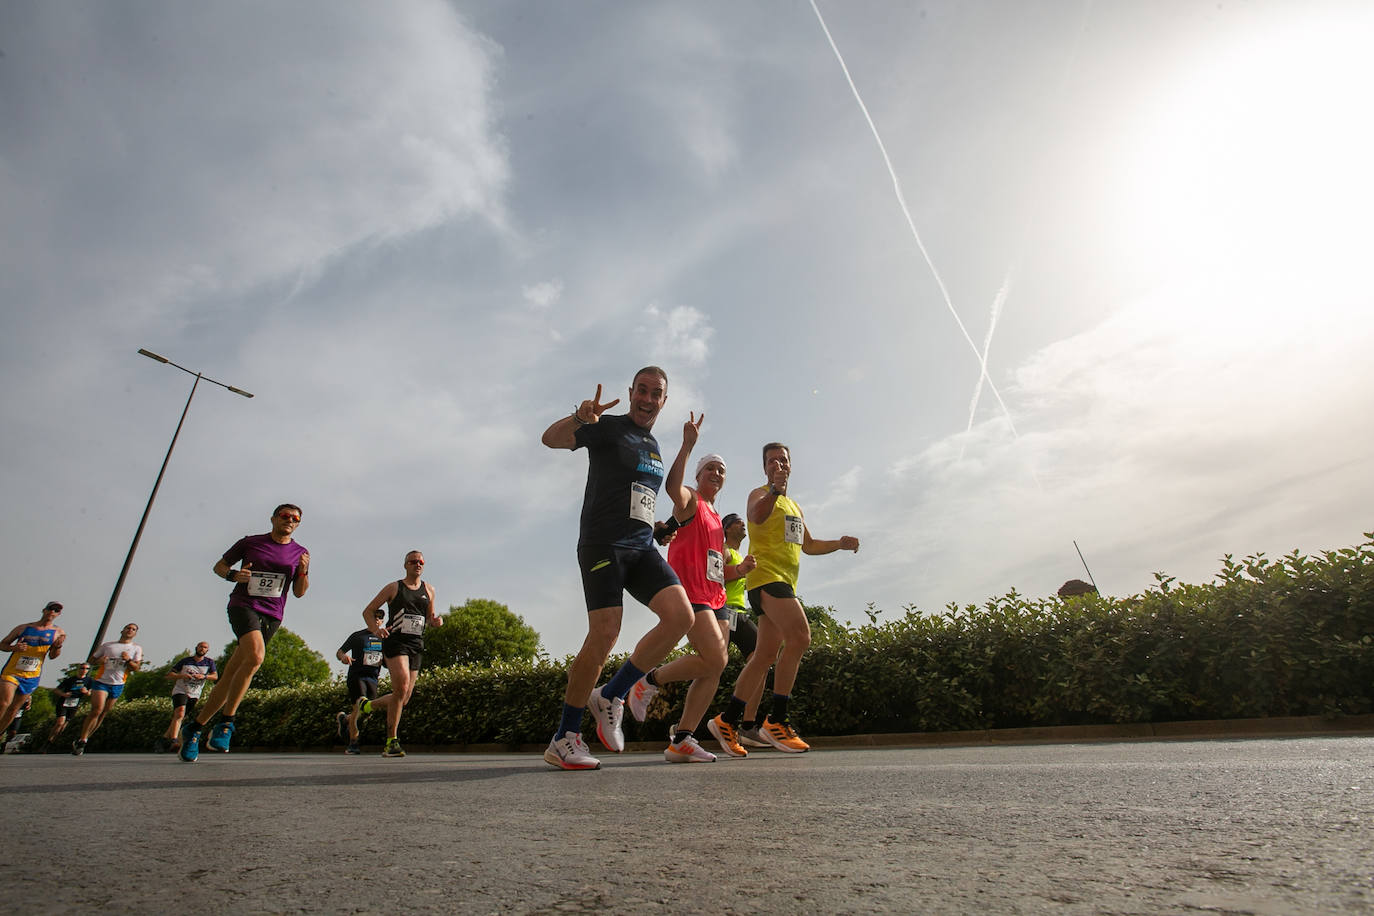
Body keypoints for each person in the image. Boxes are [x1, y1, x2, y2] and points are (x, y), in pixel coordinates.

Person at [539, 367, 696, 770]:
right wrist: (581, 416)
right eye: (641, 390)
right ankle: (565, 737)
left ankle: (612, 693)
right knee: (605, 633)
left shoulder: (655, 444)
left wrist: (659, 529)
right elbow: (550, 439)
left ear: (665, 400)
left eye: (655, 393)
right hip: (602, 544)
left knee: (681, 616)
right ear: (631, 393)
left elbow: (639, 497)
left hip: (641, 547)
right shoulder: (607, 427)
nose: (647, 399)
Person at [707, 442, 859, 755]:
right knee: (801, 637)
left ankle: (728, 719)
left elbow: (810, 545)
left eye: (783, 460)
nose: (778, 464)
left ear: (790, 465)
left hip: (784, 582)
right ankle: (776, 719)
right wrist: (774, 490)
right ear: (765, 468)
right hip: (767, 579)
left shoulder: (795, 507)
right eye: (772, 461)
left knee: (763, 657)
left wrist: (840, 544)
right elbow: (756, 517)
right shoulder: (760, 495)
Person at [624, 419, 744, 763]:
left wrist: (736, 572)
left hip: (716, 596)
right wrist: (688, 445)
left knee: (713, 668)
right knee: (716, 657)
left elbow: (716, 563)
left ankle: (683, 739)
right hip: (690, 592)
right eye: (710, 469)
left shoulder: (718, 518)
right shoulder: (690, 501)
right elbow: (672, 487)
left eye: (721, 470)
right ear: (699, 475)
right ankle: (648, 680)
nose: (717, 474)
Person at [180, 504, 310, 762]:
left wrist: (303, 570)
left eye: (295, 519)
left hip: (273, 614)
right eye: (285, 516)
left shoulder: (300, 552)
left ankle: (194, 727)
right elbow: (219, 566)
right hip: (244, 606)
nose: (290, 521)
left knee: (230, 676)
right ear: (273, 518)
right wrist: (233, 575)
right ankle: (227, 723)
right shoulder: (251, 542)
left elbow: (299, 592)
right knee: (256, 657)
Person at [356, 552, 440, 759]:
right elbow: (368, 610)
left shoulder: (429, 590)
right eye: (413, 561)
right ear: (405, 565)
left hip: (416, 645)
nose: (417, 564)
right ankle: (391, 742)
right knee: (400, 687)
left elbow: (429, 617)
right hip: (396, 642)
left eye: (421, 562)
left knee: (403, 698)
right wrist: (375, 630)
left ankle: (366, 706)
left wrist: (436, 622)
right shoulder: (394, 587)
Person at [718, 512, 769, 748]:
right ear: (727, 529)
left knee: (762, 660)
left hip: (739, 613)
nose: (742, 525)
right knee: (710, 668)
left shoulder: (741, 554)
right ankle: (684, 729)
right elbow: (714, 576)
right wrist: (740, 569)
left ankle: (748, 727)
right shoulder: (724, 550)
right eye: (738, 522)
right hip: (722, 612)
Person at [74, 622, 143, 755]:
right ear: (122, 630)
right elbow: (91, 660)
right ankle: (82, 740)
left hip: (118, 683)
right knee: (97, 709)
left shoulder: (136, 648)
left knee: (104, 713)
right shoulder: (108, 646)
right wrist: (99, 661)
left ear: (135, 634)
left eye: (133, 629)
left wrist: (128, 660)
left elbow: (136, 668)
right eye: (128, 628)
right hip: (101, 681)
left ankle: (85, 738)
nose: (130, 630)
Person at [0, 601, 66, 739]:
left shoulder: (58, 632)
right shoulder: (23, 628)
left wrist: (58, 647)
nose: (52, 612)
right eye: (50, 609)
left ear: (58, 614)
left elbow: (53, 656)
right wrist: (14, 648)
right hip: (12, 671)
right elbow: (3, 644)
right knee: (4, 702)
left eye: (56, 610)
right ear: (44, 610)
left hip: (32, 675)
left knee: (14, 709)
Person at [335, 609, 386, 755]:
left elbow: (389, 660)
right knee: (359, 706)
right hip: (357, 676)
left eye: (380, 618)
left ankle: (345, 720)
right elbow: (340, 651)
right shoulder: (358, 636)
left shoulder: (384, 638)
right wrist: (344, 657)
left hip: (373, 678)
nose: (377, 620)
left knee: (368, 710)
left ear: (382, 621)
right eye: (374, 617)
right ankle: (353, 743)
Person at [156, 642, 217, 753]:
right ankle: (174, 741)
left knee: (179, 717)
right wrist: (182, 675)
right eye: (200, 646)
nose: (202, 649)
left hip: (195, 693)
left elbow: (215, 676)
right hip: (180, 690)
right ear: (196, 648)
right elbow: (169, 675)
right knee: (180, 713)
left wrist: (204, 676)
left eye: (205, 647)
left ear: (207, 650)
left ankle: (164, 739)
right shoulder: (185, 661)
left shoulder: (209, 662)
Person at [44, 662, 91, 751]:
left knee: (64, 725)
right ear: (78, 669)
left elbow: (90, 693)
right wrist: (64, 694)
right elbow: (56, 690)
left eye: (86, 669)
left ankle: (53, 742)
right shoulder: (70, 680)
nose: (84, 670)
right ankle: (48, 742)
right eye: (82, 668)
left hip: (74, 704)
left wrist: (86, 692)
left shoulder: (89, 681)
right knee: (60, 722)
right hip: (64, 703)